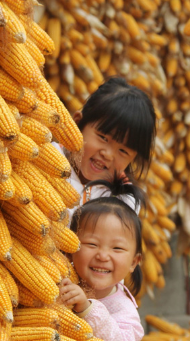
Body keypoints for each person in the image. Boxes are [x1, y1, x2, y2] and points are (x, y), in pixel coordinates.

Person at [53, 76, 156, 218]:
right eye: (103, 138)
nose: (107, 154)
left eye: (123, 151)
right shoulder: (46, 159)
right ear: (77, 123)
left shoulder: (122, 202)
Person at [58, 179, 145, 341]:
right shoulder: (60, 279)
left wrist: (87, 309)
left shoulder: (123, 308)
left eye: (117, 248)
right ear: (70, 250)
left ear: (133, 262)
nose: (103, 256)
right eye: (92, 244)